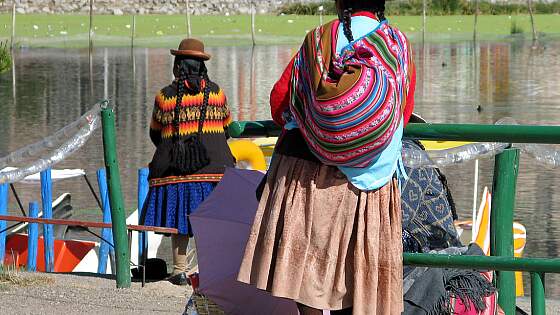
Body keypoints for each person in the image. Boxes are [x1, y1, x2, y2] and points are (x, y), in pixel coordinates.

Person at [238, 0, 416, 314]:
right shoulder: (397, 45)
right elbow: (404, 111)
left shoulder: (319, 39)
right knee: (357, 279)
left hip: (307, 174)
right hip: (371, 181)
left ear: (339, 1)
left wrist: (321, 128)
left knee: (305, 275)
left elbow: (281, 102)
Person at [141, 38, 235, 285]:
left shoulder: (165, 97)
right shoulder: (217, 94)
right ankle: (208, 270)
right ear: (202, 67)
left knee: (179, 218)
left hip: (175, 171)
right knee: (209, 222)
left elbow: (156, 133)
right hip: (214, 172)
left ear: (177, 66)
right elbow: (226, 129)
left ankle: (179, 270)